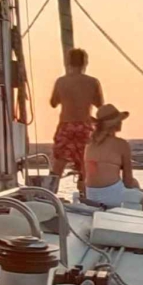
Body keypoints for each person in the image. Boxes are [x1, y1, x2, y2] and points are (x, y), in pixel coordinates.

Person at [82, 105, 143, 215]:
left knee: (135, 184)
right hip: (113, 199)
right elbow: (127, 180)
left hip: (92, 197)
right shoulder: (121, 144)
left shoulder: (89, 145)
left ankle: (136, 215)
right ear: (115, 123)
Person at [46, 48, 103, 193]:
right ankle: (85, 194)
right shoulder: (92, 82)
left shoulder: (61, 81)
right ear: (85, 62)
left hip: (66, 124)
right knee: (85, 163)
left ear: (68, 62)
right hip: (84, 125)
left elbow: (53, 103)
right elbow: (100, 104)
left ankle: (49, 193)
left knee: (59, 162)